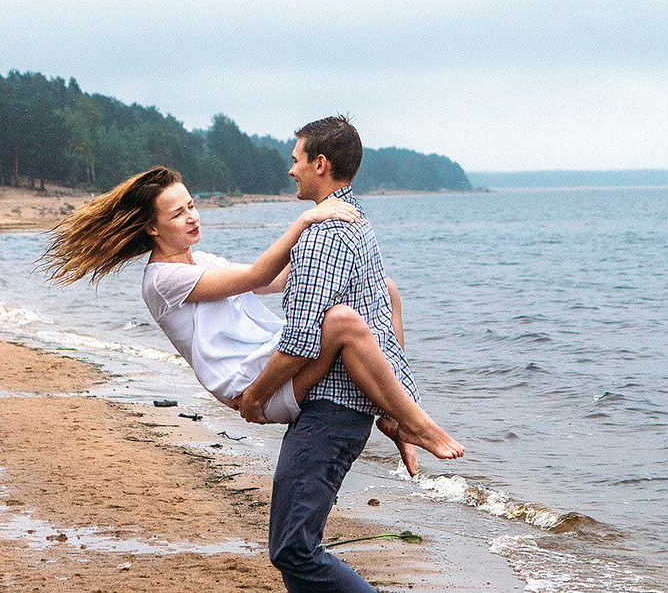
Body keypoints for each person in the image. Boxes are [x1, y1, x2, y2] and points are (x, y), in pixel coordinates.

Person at [41, 166, 462, 472]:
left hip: (269, 360)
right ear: (151, 228)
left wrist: (335, 258)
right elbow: (257, 274)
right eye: (177, 214)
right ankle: (416, 422)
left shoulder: (200, 261)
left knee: (383, 290)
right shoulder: (163, 279)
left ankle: (396, 412)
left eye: (191, 205)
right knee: (342, 323)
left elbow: (273, 280)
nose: (193, 217)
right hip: (254, 385)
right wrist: (305, 219)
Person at [234, 115, 437, 593]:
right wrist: (394, 413)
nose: (290, 167)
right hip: (342, 409)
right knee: (297, 541)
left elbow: (300, 338)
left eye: (296, 157)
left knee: (292, 547)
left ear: (320, 163)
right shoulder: (356, 227)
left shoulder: (325, 235)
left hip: (329, 409)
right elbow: (386, 310)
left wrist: (253, 395)